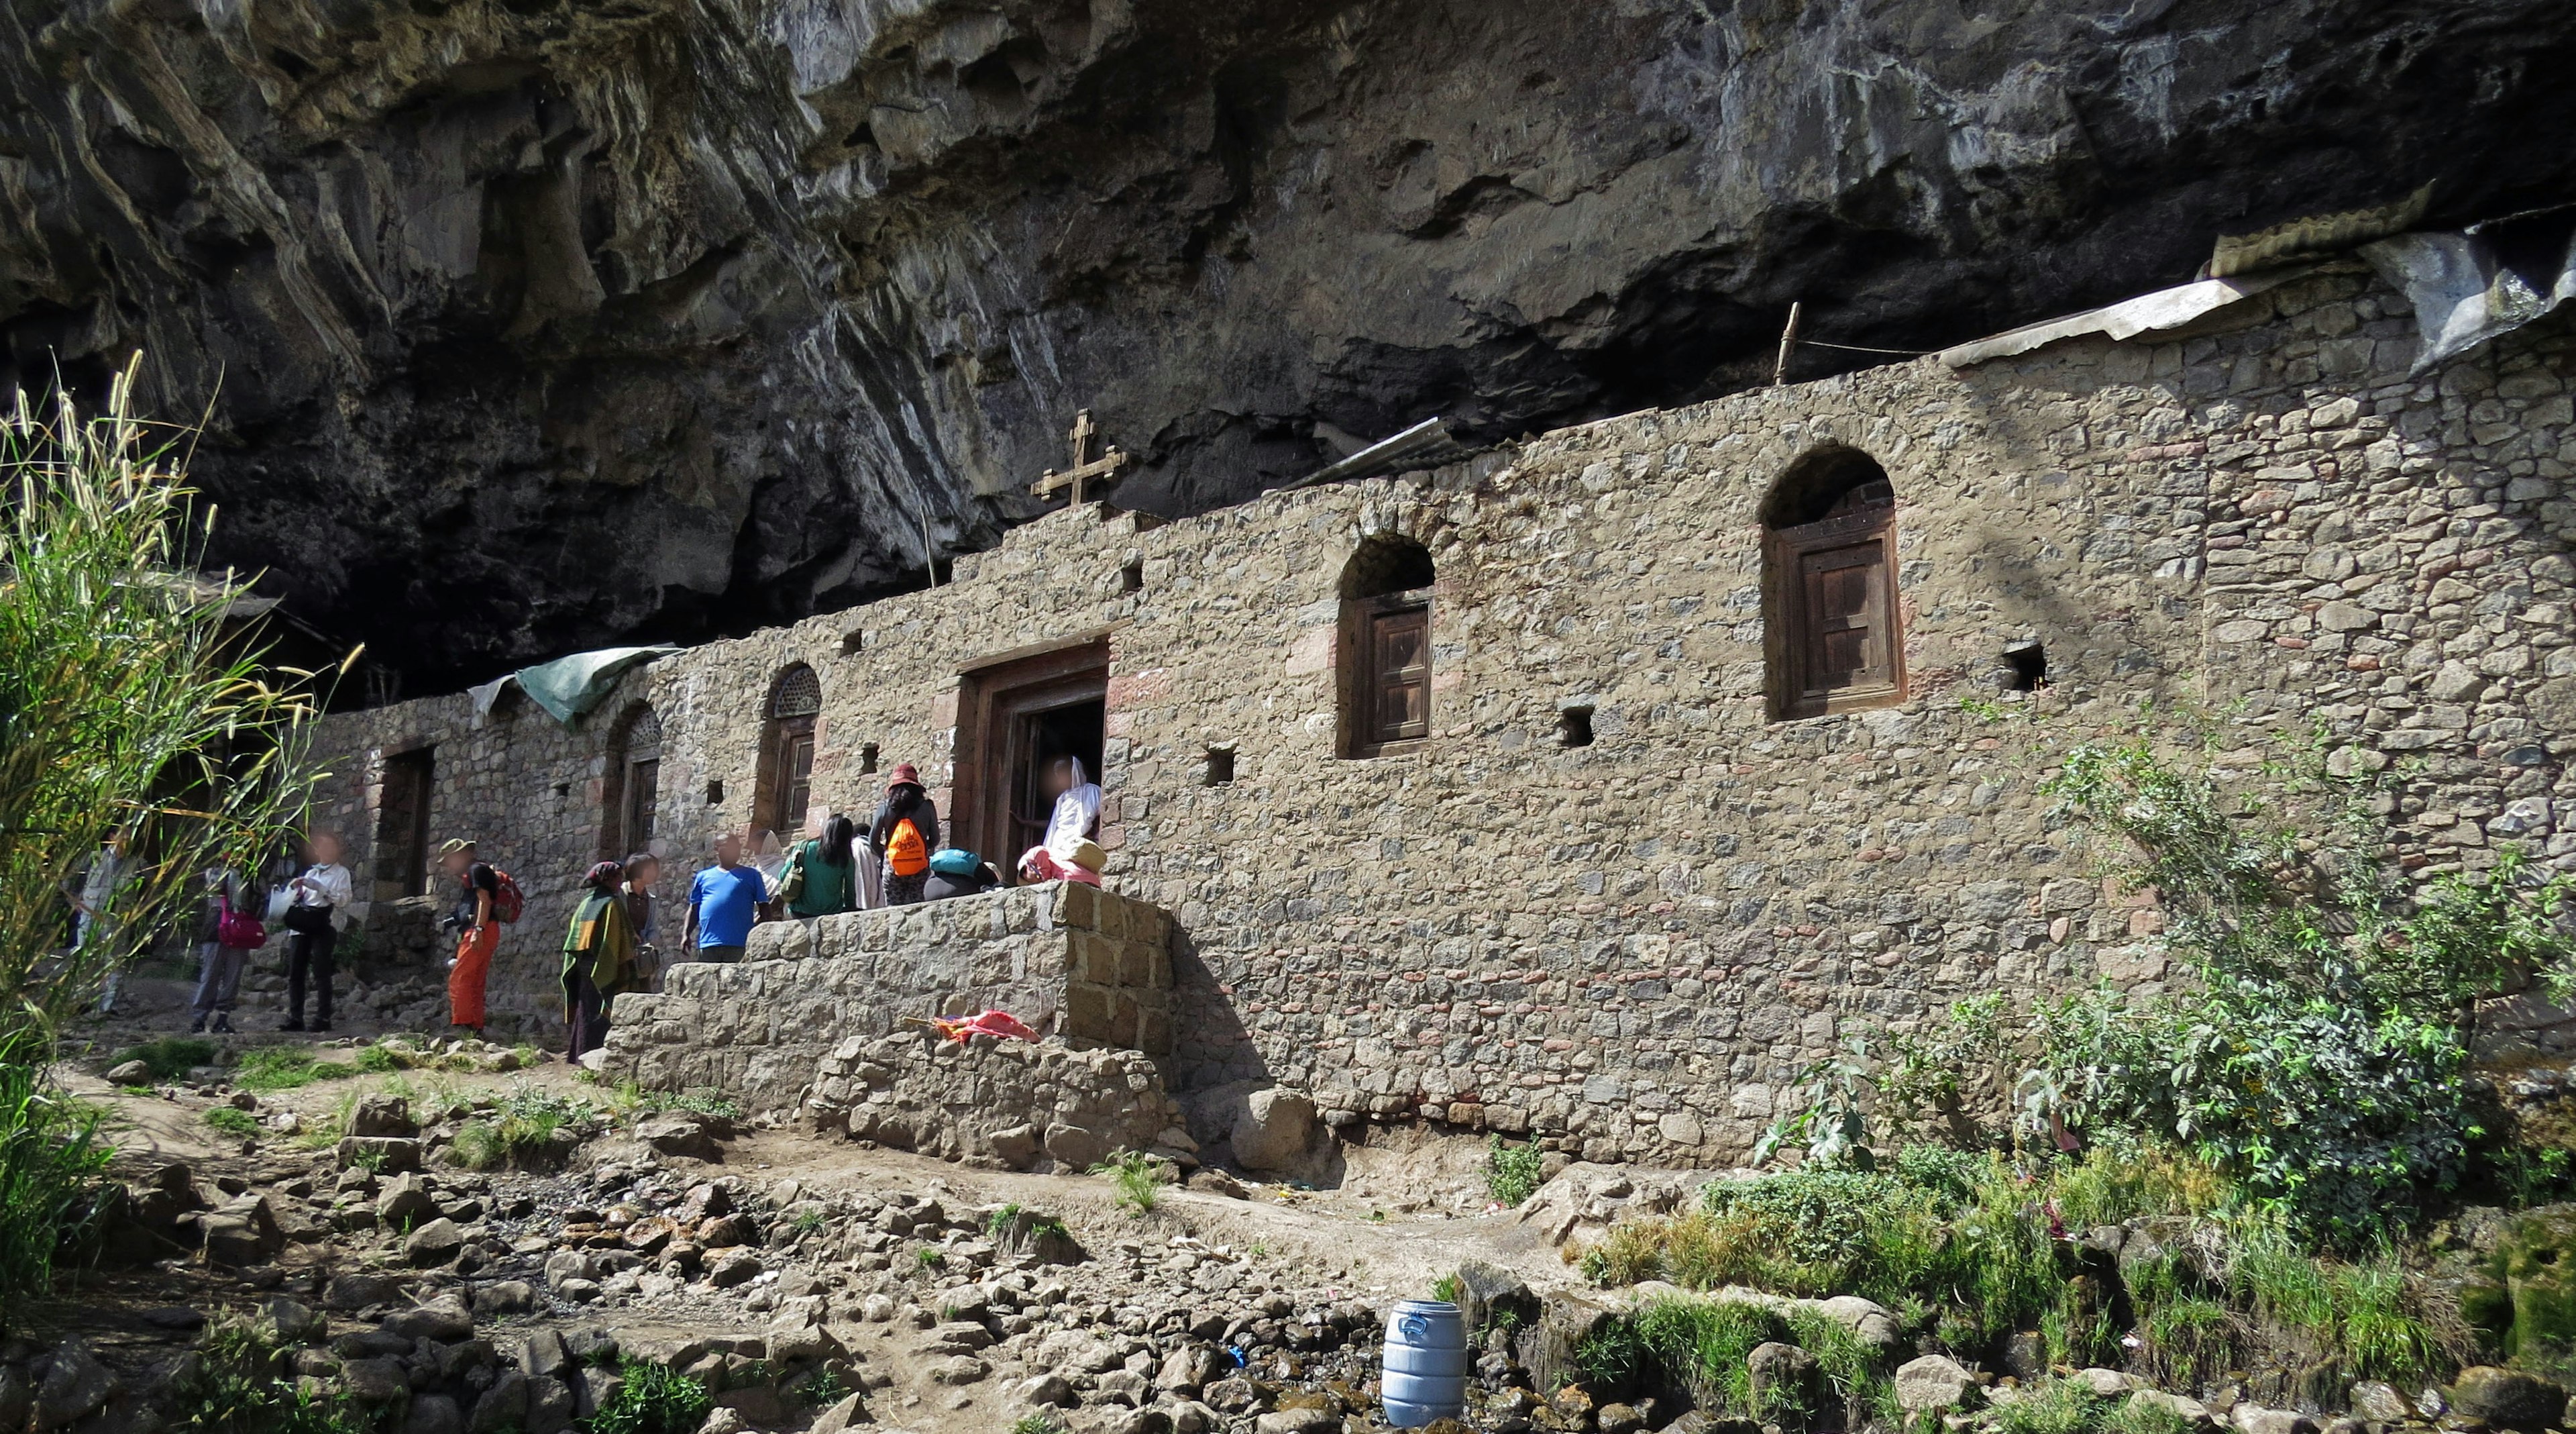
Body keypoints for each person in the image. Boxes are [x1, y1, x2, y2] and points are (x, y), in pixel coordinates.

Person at [561, 861, 644, 1060]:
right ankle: (593, 1056)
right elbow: (615, 937)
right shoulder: (611, 904)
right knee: (599, 1011)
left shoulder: (586, 903)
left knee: (585, 1008)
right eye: (617, 878)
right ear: (607, 879)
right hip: (603, 965)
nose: (620, 882)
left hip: (582, 965)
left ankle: (578, 1053)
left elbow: (575, 938)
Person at [282, 831, 354, 1032]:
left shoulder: (342, 873)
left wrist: (322, 889)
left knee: (322, 972)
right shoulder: (311, 873)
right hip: (302, 926)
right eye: (323, 847)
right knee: (296, 973)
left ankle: (323, 1018)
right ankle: (295, 1017)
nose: (327, 851)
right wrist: (295, 889)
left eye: (331, 847)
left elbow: (343, 900)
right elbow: (300, 899)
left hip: (323, 925)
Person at [438, 837, 501, 1037]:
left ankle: (462, 1025)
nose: (449, 865)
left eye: (450, 860)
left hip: (480, 929)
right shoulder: (476, 872)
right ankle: (475, 1026)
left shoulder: (476, 871)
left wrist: (478, 931)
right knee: (475, 979)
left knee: (461, 977)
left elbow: (484, 901)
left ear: (462, 855)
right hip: (486, 928)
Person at [71, 829, 132, 1014]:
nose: (128, 838)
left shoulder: (136, 862)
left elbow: (155, 886)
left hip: (116, 918)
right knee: (84, 957)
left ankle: (109, 1005)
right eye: (125, 834)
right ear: (112, 837)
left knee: (114, 961)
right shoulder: (95, 858)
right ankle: (81, 1001)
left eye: (131, 835)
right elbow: (70, 879)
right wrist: (74, 901)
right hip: (90, 913)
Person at [684, 831, 765, 963]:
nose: (734, 851)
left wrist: (758, 935)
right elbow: (694, 908)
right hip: (709, 944)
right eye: (729, 847)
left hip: (739, 945)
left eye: (737, 847)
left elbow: (765, 909)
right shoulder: (703, 877)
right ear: (717, 850)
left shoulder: (752, 875)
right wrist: (686, 935)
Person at [189, 864, 250, 1034]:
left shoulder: (250, 873)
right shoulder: (213, 871)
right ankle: (199, 1018)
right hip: (217, 926)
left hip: (240, 927)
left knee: (233, 975)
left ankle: (223, 1017)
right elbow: (214, 889)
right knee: (210, 975)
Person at [868, 766, 941, 907]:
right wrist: (920, 848)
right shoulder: (927, 806)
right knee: (919, 909)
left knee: (893, 911)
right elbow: (936, 839)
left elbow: (873, 841)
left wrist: (886, 854)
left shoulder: (884, 807)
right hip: (919, 866)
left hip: (892, 866)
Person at [782, 814, 859, 919]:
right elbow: (850, 893)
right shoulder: (846, 858)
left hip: (800, 912)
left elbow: (782, 876)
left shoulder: (804, 848)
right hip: (831, 914)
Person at [621, 852, 663, 988]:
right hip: (622, 955)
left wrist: (649, 944)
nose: (654, 873)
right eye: (650, 869)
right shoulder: (620, 895)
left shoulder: (651, 899)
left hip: (641, 958)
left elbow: (652, 927)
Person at [923, 848, 998, 902]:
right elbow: (995, 884)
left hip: (930, 893)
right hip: (958, 893)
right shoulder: (977, 865)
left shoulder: (939, 867)